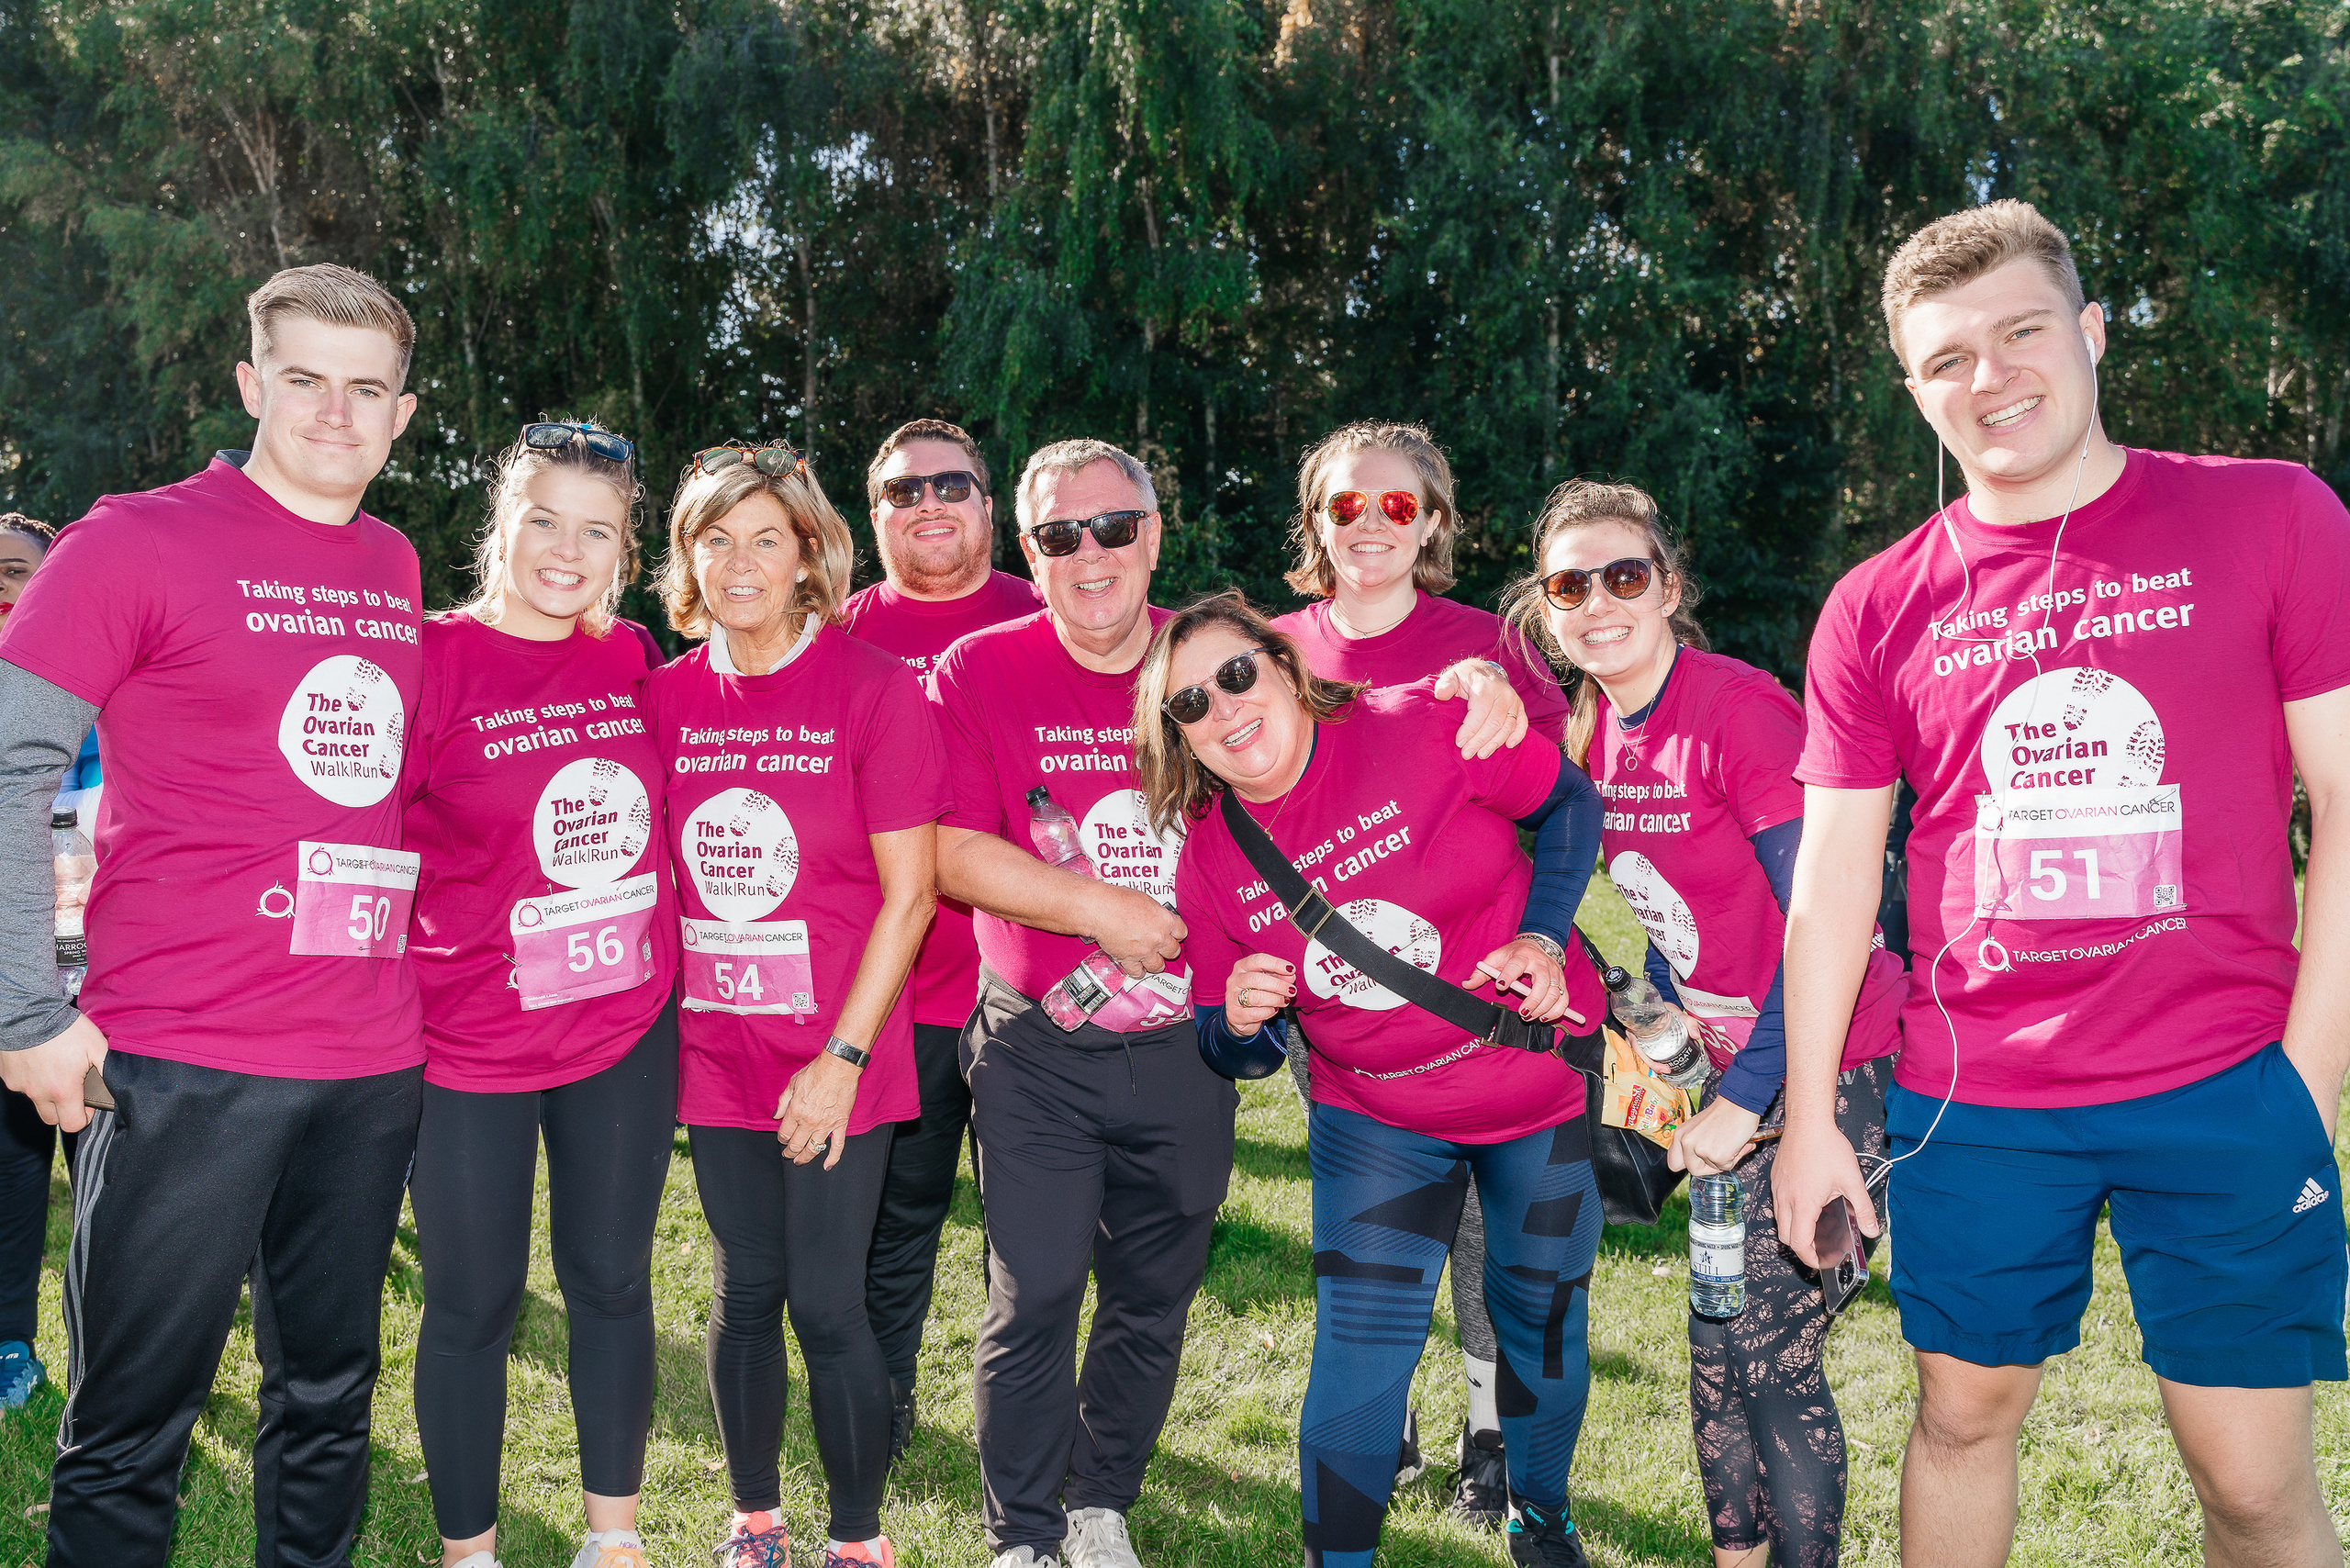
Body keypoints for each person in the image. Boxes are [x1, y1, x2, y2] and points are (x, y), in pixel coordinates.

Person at [1773, 199, 2350, 1568]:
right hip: (1980, 1095)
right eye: (1948, 359)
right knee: (1963, 1416)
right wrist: (1808, 1124)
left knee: (2253, 1479)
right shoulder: (1875, 605)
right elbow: (1834, 888)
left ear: (2090, 333)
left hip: (2226, 1077)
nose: (1992, 377)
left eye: (2023, 331)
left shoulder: (2270, 513)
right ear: (1916, 391)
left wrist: (2305, 1078)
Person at [0, 263, 429, 1566]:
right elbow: (12, 769)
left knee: (327, 1407)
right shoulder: (133, 540)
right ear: (251, 385)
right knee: (134, 1426)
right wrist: (25, 1009)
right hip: (180, 1061)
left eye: (367, 390)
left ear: (402, 418)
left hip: (365, 1065)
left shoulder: (396, 559)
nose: (335, 414)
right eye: (304, 379)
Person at [1138, 591, 1605, 1568]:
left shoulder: (1420, 721)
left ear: (1284, 666)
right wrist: (1234, 1019)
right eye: (1190, 705)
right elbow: (1234, 1053)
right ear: (1178, 737)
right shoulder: (1215, 861)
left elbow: (1567, 801)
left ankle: (1543, 1518)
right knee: (1359, 1358)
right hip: (1377, 1118)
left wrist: (1542, 933)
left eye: (1236, 675)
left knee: (1541, 1331)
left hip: (1534, 1091)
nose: (1223, 710)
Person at [1503, 479, 1905, 1566]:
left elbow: (1829, 922)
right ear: (1545, 608)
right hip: (1728, 1088)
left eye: (1623, 574)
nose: (1597, 601)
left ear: (1669, 586)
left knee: (1773, 1358)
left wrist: (1743, 1096)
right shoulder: (1599, 734)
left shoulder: (1737, 710)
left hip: (1834, 1069)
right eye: (1568, 583)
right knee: (1717, 1346)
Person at [647, 439, 946, 1568]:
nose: (739, 561)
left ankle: (858, 1540)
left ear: (810, 552)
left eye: (765, 537)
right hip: (715, 1048)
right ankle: (753, 1520)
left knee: (826, 1302)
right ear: (685, 557)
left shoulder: (872, 689)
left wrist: (843, 1057)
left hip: (837, 1049)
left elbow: (911, 895)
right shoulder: (664, 696)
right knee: (742, 1292)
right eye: (714, 538)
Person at [926, 438, 1222, 1568]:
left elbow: (1348, 714)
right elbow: (952, 852)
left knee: (1154, 1292)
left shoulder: (1215, 659)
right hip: (1037, 1045)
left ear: (1153, 536)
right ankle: (1022, 1535)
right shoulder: (977, 670)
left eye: (1112, 527)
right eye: (1059, 535)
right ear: (1028, 551)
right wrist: (1096, 907)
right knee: (1036, 1289)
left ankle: (1099, 1501)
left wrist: (1480, 677)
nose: (1089, 553)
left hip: (1189, 1045)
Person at [1270, 420, 1563, 1525]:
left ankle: (1487, 1431)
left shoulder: (1490, 646)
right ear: (1316, 521)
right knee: (1371, 1225)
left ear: (1433, 520)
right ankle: (1380, 1418)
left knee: (1487, 1234)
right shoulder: (1274, 650)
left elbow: (1554, 809)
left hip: (1473, 1001)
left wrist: (1535, 935)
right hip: (1334, 1005)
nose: (1369, 524)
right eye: (1344, 505)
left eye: (1396, 505)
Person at [400, 421, 679, 1568]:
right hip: (466, 1037)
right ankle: (472, 1552)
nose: (568, 551)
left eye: (598, 530)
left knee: (611, 1282)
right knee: (473, 1300)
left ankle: (611, 1539)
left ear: (625, 550)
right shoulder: (429, 658)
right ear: (500, 527)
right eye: (545, 520)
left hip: (621, 1023)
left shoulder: (634, 658)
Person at [840, 418, 1038, 1462]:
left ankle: (1034, 1421)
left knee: (1036, 1235)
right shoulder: (831, 629)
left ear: (988, 507)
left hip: (1034, 986)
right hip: (900, 985)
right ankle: (883, 1400)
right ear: (874, 516)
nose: (928, 505)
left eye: (950, 485)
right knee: (897, 1215)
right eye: (903, 491)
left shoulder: (1053, 612)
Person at [0, 512, 62, 1412]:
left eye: (15, 569)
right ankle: (11, 1340)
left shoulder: (104, 680)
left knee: (102, 1183)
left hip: (90, 981)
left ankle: (105, 1354)